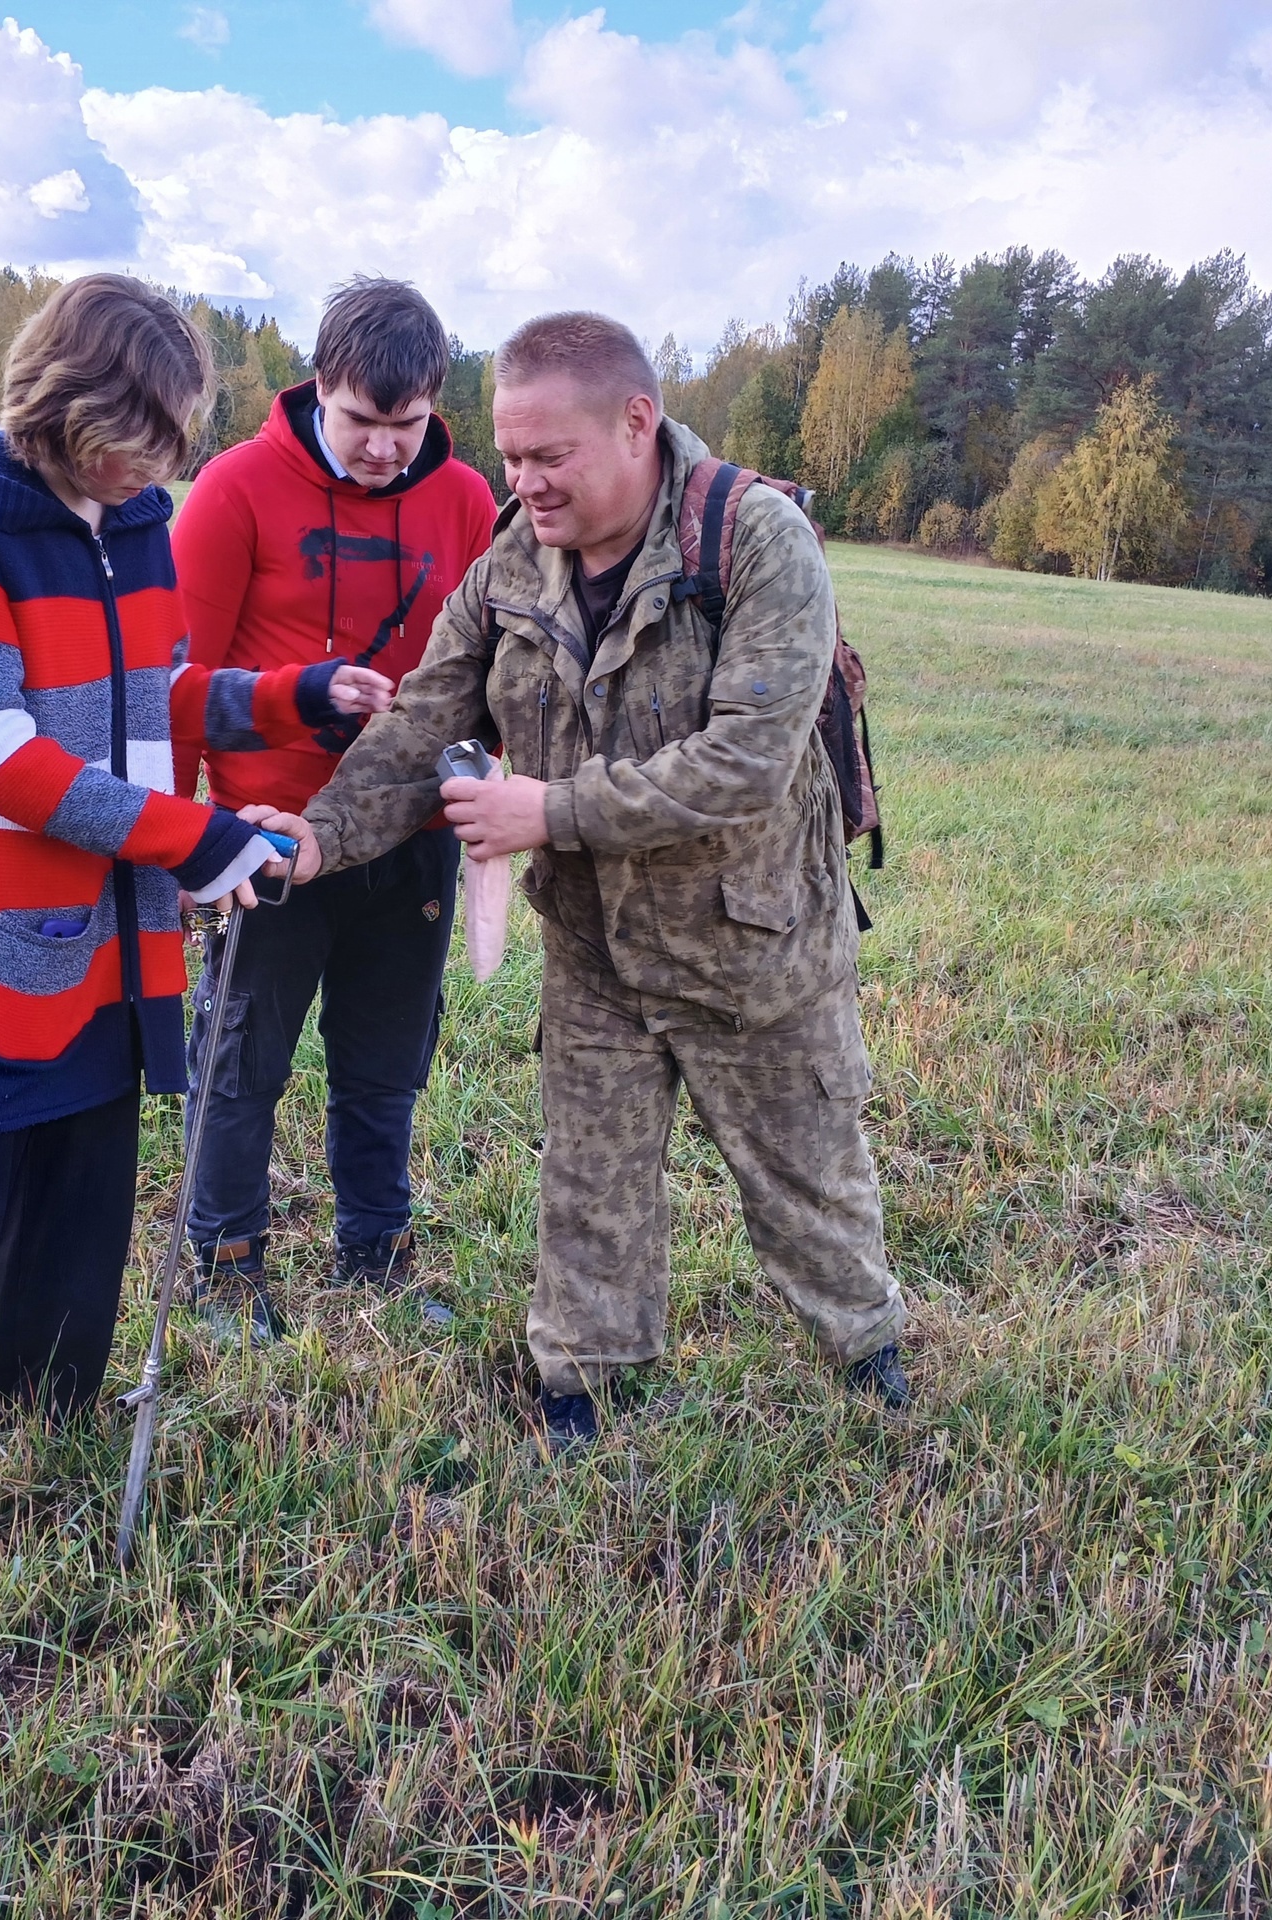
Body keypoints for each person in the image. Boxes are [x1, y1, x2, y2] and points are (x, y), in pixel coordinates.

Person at [250, 310, 908, 1446]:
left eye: (549, 457)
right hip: (596, 950)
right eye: (510, 456)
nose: (525, 482)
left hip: (753, 940)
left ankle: (865, 1357)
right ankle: (581, 1386)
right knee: (589, 1191)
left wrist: (545, 813)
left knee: (811, 1182)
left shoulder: (757, 541)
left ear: (636, 423)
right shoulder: (512, 557)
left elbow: (745, 764)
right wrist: (313, 839)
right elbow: (421, 725)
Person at [0, 274, 391, 1460]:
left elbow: (154, 704)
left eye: (173, 439)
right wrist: (196, 839)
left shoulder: (135, 527)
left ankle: (46, 1415)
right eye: (137, 438)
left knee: (80, 1217)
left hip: (110, 948)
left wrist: (283, 696)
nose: (158, 465)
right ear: (64, 401)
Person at [169, 276, 497, 1335]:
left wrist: (481, 760)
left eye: (404, 426)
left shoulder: (465, 504)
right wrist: (182, 836)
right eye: (361, 421)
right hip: (266, 839)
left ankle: (376, 1254)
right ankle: (224, 1268)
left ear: (434, 403)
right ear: (320, 386)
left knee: (386, 1058)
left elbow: (492, 664)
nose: (382, 449)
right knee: (241, 1061)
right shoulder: (232, 489)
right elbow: (177, 681)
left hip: (410, 836)